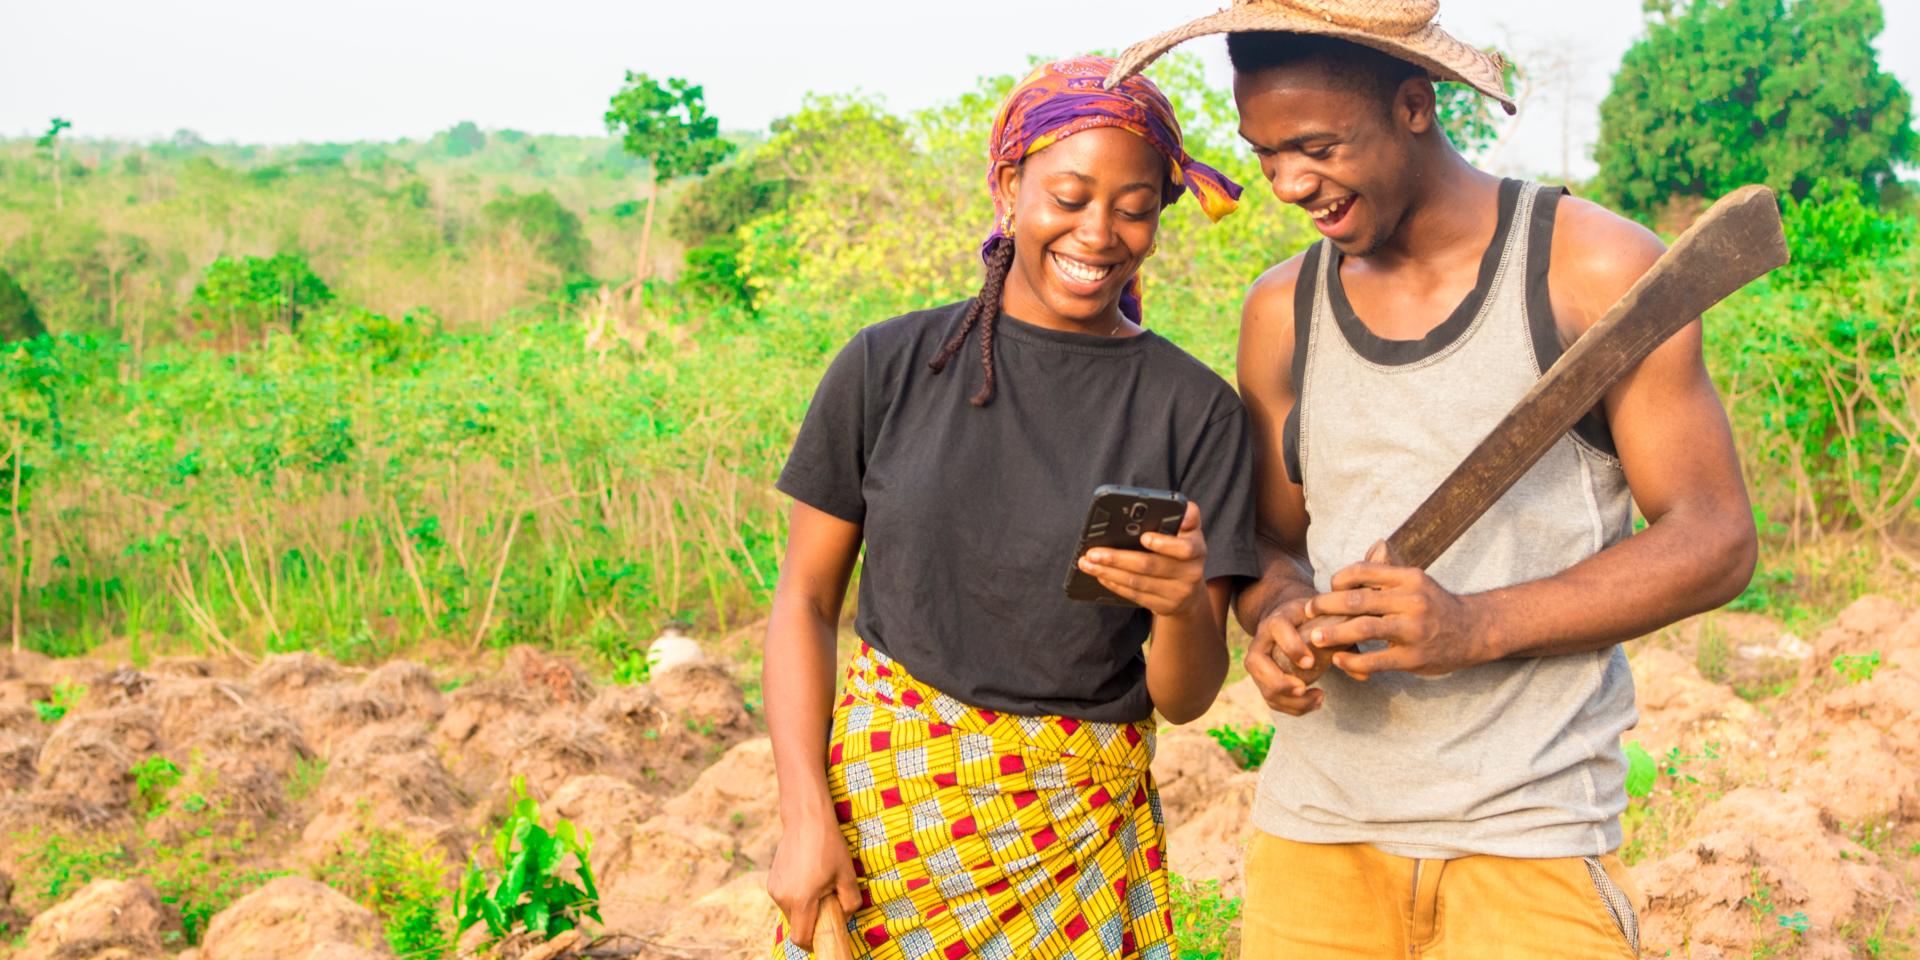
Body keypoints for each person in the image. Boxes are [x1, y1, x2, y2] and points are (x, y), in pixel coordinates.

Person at [1106, 3, 1758, 957]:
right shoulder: (1283, 311)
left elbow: (1714, 536)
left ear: (1416, 105)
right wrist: (1280, 613)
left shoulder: (1589, 267)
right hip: (1317, 834)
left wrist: (1473, 626)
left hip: (1527, 838)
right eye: (1264, 153)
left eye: (1318, 146)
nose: (1289, 183)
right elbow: (1274, 542)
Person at [762, 56, 1261, 959]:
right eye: (1068, 196)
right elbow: (803, 602)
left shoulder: (1196, 411)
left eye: (1135, 207)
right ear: (1007, 189)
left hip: (1072, 851)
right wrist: (805, 817)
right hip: (887, 833)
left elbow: (1182, 700)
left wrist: (1182, 601)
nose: (1099, 232)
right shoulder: (888, 366)